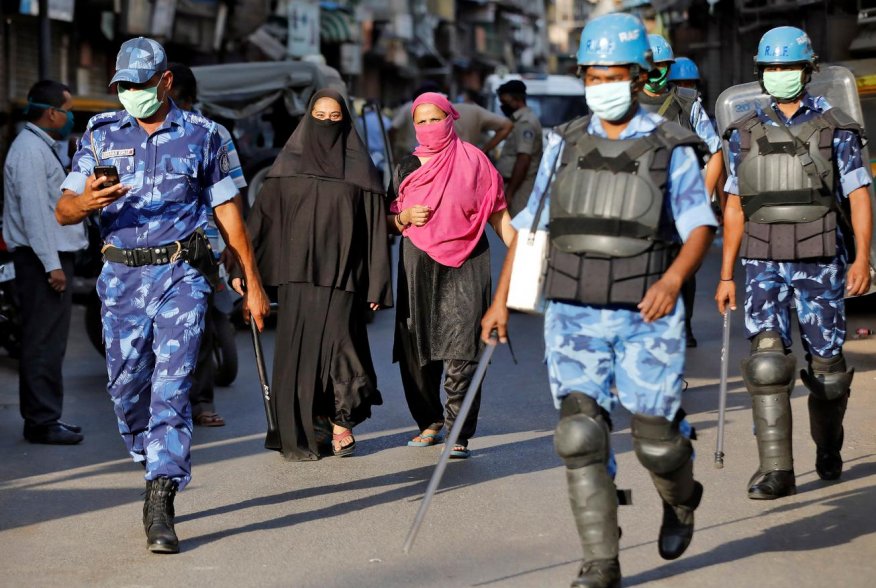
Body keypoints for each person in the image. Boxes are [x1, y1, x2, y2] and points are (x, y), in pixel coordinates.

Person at [482, 13, 717, 587]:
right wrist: (501, 301)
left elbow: (698, 226)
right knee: (579, 434)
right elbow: (531, 227)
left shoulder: (671, 147)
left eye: (611, 73)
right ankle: (601, 559)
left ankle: (680, 497)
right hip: (574, 311)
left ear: (637, 77)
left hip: (645, 312)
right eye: (592, 74)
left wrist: (671, 282)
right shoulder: (562, 146)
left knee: (657, 440)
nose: (600, 84)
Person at [55, 37, 270, 554]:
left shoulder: (206, 136)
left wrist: (253, 283)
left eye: (138, 84)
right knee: (126, 388)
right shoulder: (100, 133)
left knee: (172, 388)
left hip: (181, 277)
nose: (129, 93)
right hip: (121, 279)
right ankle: (150, 458)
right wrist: (86, 201)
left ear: (165, 81)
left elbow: (229, 216)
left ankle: (161, 494)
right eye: (122, 85)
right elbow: (63, 210)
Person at [715, 26, 872, 500]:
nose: (781, 74)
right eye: (772, 68)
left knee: (826, 370)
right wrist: (726, 274)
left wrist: (863, 258)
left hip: (820, 260)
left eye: (789, 67)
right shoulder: (742, 132)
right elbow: (734, 206)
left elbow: (859, 196)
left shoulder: (836, 128)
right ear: (762, 73)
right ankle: (776, 470)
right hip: (762, 261)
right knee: (765, 364)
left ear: (808, 71)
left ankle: (828, 447)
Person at [241, 89, 392, 461]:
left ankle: (343, 421)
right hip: (297, 277)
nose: (326, 123)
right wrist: (246, 273)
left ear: (346, 122)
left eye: (335, 117)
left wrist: (377, 281)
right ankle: (306, 427)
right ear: (308, 118)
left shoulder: (360, 169)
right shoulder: (286, 169)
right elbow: (260, 225)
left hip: (344, 276)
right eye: (319, 116)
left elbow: (375, 230)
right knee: (300, 353)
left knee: (343, 346)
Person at [389, 92, 513, 459]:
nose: (429, 126)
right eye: (421, 121)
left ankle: (458, 428)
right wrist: (404, 218)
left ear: (451, 118)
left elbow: (499, 217)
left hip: (468, 260)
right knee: (420, 347)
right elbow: (388, 220)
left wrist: (525, 252)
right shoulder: (405, 167)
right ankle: (429, 422)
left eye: (435, 118)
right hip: (418, 261)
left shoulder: (476, 161)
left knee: (464, 347)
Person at [3, 80, 86, 445]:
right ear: (52, 113)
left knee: (50, 343)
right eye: (67, 110)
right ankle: (41, 421)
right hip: (41, 261)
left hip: (46, 257)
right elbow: (36, 214)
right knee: (41, 343)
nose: (70, 117)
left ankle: (47, 416)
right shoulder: (29, 152)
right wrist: (52, 265)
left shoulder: (40, 146)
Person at [168, 62, 248, 428]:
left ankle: (199, 401)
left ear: (176, 94)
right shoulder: (134, 132)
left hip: (203, 249)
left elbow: (233, 195)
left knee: (200, 327)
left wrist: (234, 247)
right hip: (148, 253)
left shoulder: (213, 133)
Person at [641, 35, 725, 348]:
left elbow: (715, 150)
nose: (655, 72)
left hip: (678, 208)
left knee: (682, 270)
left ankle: (682, 326)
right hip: (637, 207)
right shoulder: (623, 103)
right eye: (650, 66)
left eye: (660, 66)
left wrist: (700, 198)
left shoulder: (686, 103)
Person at [495, 80, 544, 216]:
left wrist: (509, 193)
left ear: (517, 99)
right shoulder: (517, 121)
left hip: (520, 187)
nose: (503, 106)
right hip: (514, 185)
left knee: (517, 228)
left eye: (506, 101)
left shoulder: (525, 122)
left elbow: (523, 159)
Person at [389, 82, 440, 165]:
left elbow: (392, 130)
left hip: (412, 155)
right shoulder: (435, 109)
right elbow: (392, 130)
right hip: (415, 155)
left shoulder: (408, 107)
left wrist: (392, 153)